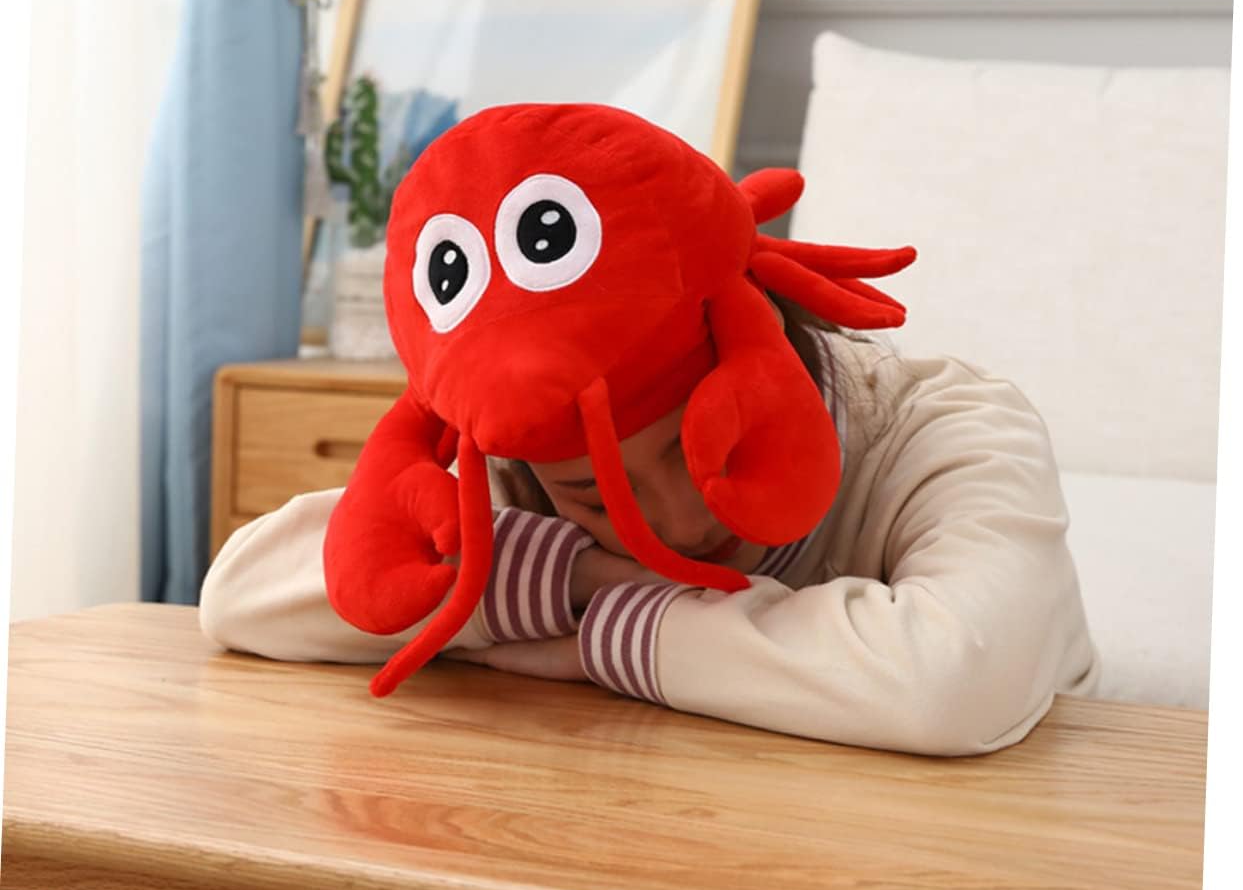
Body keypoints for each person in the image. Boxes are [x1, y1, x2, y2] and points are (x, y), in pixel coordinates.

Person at [200, 286, 1099, 758]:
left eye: (700, 448)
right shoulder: (524, 451)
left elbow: (952, 679)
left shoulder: (947, 426)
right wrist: (578, 575)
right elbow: (243, 591)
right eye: (594, 496)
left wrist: (611, 638)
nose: (672, 521)